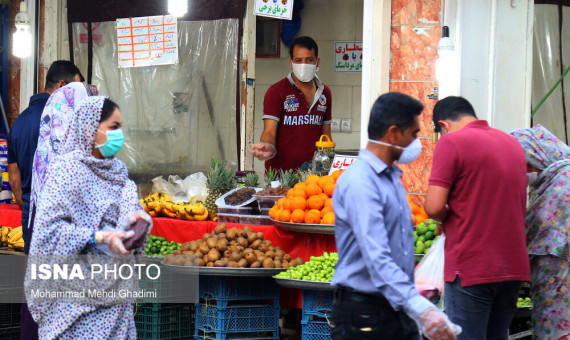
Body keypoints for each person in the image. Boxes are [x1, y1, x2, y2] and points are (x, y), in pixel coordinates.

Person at [330, 92, 459, 340]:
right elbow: (377, 257)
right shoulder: (361, 182)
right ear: (392, 133)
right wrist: (422, 310)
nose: (416, 142)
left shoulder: (392, 179)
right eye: (413, 134)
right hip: (365, 314)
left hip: (396, 307)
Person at [27, 96, 150, 339]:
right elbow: (49, 233)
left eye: (120, 127)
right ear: (90, 129)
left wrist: (137, 224)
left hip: (117, 304)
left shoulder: (119, 173)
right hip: (75, 308)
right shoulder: (67, 171)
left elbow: (129, 216)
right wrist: (101, 237)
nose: (119, 135)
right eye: (113, 128)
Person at [424, 96, 530, 339]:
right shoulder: (512, 143)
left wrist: (443, 219)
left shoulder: (451, 142)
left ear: (444, 125)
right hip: (512, 268)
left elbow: (433, 205)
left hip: (472, 267)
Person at [7, 60, 83, 253]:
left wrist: (33, 208)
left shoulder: (18, 123)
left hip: (30, 218)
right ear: (62, 86)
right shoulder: (64, 120)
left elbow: (15, 183)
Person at [509, 125, 570, 340]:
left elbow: (548, 230)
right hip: (550, 281)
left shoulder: (563, 183)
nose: (520, 170)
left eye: (522, 162)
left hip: (561, 279)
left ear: (537, 154)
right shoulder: (550, 182)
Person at [250, 36, 332, 171]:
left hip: (313, 176)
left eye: (309, 60)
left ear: (317, 62)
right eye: (298, 60)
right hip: (281, 175)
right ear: (291, 62)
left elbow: (326, 137)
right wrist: (267, 145)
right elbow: (269, 131)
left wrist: (327, 168)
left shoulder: (325, 93)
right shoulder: (277, 91)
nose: (303, 65)